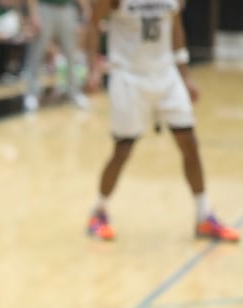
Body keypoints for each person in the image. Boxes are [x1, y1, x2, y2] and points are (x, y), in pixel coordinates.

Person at [84, 0, 239, 242]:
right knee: (123, 149)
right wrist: (93, 68)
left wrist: (185, 76)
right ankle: (99, 211)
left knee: (189, 142)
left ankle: (203, 216)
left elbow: (175, 27)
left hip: (166, 75)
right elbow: (92, 24)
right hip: (129, 77)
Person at [23, 0, 90, 111]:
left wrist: (85, 7)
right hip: (44, 7)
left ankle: (75, 93)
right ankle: (32, 94)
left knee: (71, 54)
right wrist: (33, 13)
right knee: (37, 53)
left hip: (67, 7)